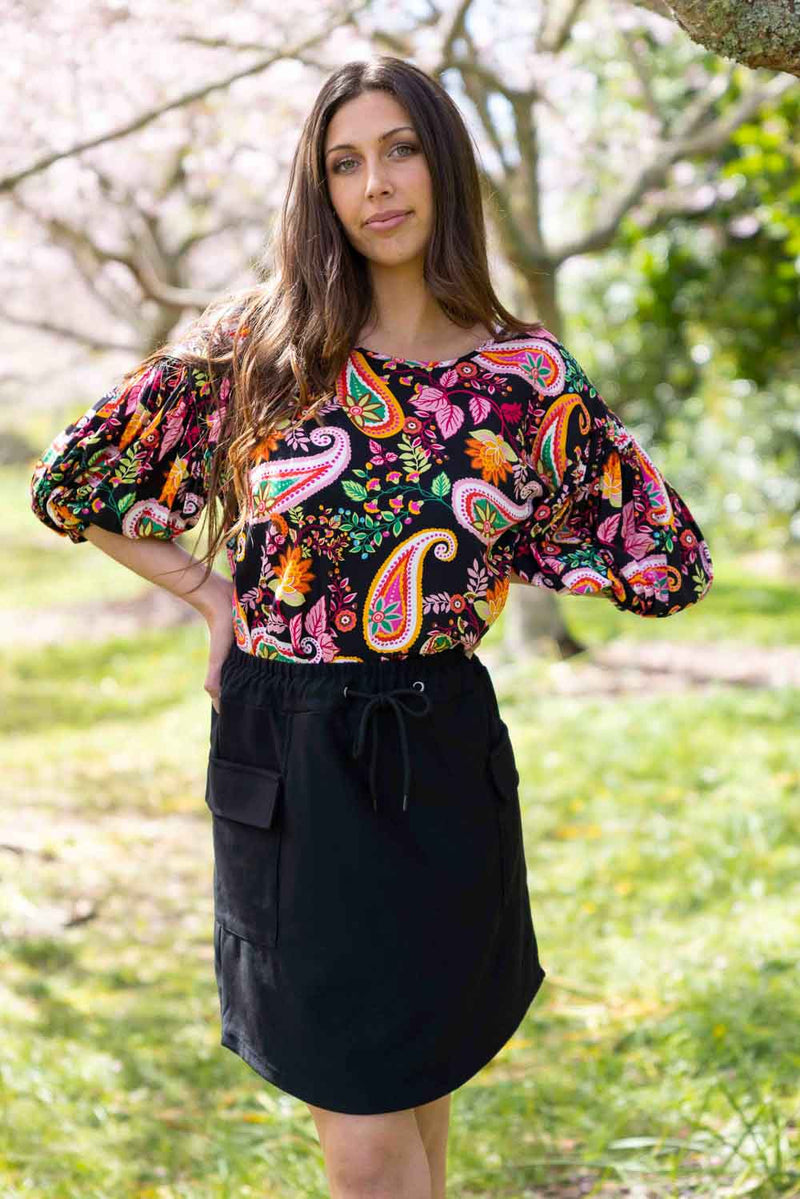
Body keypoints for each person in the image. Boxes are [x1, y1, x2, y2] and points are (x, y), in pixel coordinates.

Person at [29, 54, 714, 1199]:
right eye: (343, 162)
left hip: (438, 735)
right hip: (289, 749)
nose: (375, 185)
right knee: (357, 1107)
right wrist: (210, 596)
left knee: (424, 1066)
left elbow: (665, 553)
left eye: (399, 150)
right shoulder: (259, 344)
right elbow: (77, 478)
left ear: (442, 167)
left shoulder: (522, 376)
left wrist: (506, 534)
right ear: (318, 189)